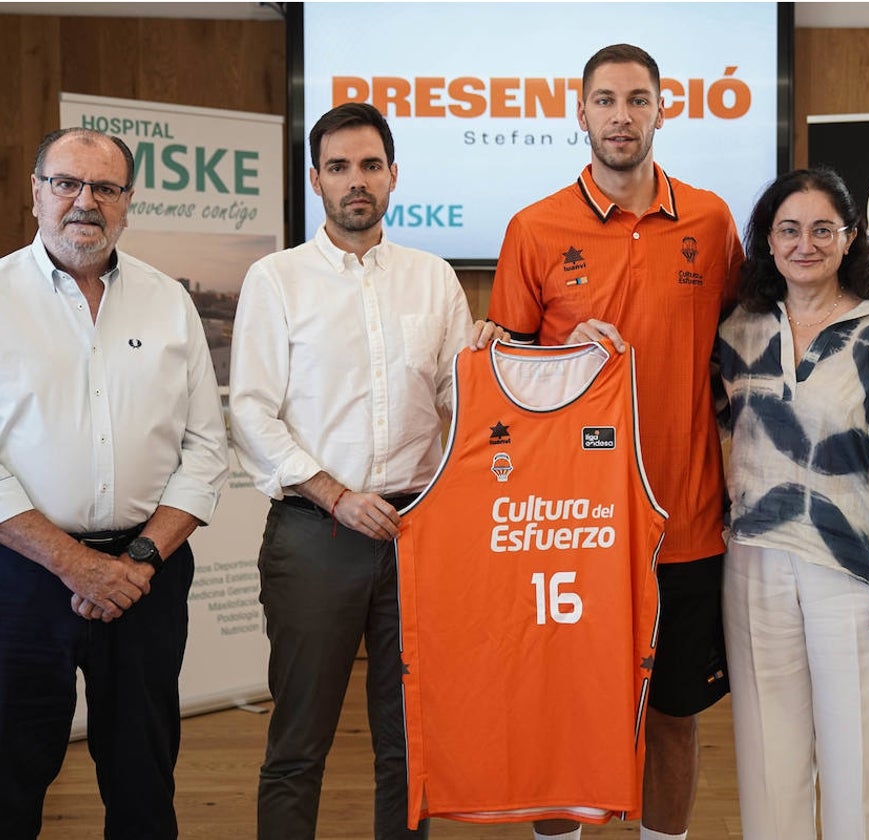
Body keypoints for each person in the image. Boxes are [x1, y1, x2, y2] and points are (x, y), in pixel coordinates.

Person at [488, 43, 743, 840]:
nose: (621, 116)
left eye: (638, 100)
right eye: (605, 101)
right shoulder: (533, 228)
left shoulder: (710, 217)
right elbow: (505, 383)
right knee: (562, 714)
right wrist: (560, 357)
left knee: (672, 716)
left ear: (664, 109)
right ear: (581, 113)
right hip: (572, 524)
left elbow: (741, 357)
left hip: (687, 521)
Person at [229, 102, 503, 840]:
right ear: (316, 180)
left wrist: (502, 365)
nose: (358, 181)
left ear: (394, 177)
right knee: (299, 742)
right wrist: (338, 497)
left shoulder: (433, 278)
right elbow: (251, 413)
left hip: (418, 535)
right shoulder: (276, 279)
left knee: (409, 739)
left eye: (371, 166)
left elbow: (464, 404)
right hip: (315, 534)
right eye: (341, 167)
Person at [0, 127, 228, 838]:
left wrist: (133, 563)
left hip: (146, 579)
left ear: (128, 202)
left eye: (105, 188)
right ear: (36, 192)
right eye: (67, 183)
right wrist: (75, 563)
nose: (84, 202)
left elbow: (206, 448)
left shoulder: (169, 303)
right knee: (10, 771)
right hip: (22, 578)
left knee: (142, 776)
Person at [716, 167, 869, 840]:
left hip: (854, 571)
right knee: (766, 769)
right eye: (788, 229)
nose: (805, 243)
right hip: (753, 563)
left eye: (823, 229)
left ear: (850, 239)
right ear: (768, 240)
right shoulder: (740, 330)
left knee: (854, 779)